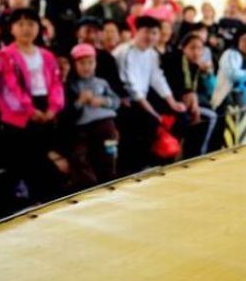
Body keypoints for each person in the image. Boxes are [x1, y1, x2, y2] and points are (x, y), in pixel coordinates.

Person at [0, 8, 65, 201]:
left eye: (31, 24)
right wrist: (30, 110)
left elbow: (56, 84)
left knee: (43, 166)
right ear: (12, 28)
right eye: (21, 24)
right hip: (18, 119)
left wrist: (53, 107)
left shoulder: (47, 55)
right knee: (23, 164)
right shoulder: (4, 55)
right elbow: (9, 89)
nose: (26, 29)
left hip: (44, 110)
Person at [112, 16, 186, 172]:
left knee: (178, 116)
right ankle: (135, 168)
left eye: (154, 33)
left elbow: (157, 78)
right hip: (124, 101)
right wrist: (153, 112)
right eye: (146, 32)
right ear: (136, 31)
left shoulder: (152, 54)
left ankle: (164, 161)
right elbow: (130, 87)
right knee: (149, 121)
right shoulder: (125, 52)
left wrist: (173, 102)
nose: (150, 37)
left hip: (142, 100)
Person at [64, 43, 120, 188]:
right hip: (83, 128)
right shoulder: (72, 85)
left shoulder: (102, 82)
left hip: (106, 125)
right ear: (74, 65)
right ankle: (88, 186)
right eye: (82, 63)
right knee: (80, 156)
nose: (86, 67)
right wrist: (80, 101)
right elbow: (70, 110)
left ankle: (109, 181)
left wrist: (103, 101)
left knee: (109, 154)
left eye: (90, 62)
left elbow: (116, 101)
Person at [161, 33, 218, 156]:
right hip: (169, 103)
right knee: (209, 117)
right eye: (192, 48)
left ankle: (196, 153)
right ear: (183, 48)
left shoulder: (195, 67)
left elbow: (210, 90)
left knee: (210, 115)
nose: (196, 52)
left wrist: (207, 74)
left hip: (186, 104)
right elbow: (179, 89)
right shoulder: (174, 60)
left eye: (199, 48)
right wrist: (192, 100)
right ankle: (195, 154)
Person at [75, 17, 127, 100]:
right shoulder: (70, 55)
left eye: (96, 32)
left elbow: (115, 84)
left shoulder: (106, 57)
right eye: (87, 31)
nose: (92, 36)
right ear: (78, 33)